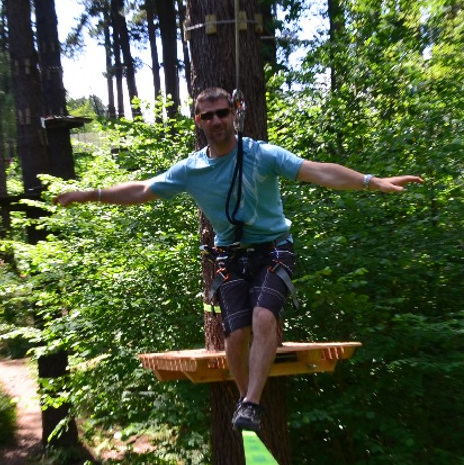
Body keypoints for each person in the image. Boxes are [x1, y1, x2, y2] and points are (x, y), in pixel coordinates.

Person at [55, 87, 422, 433]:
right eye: (208, 116)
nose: (216, 121)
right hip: (230, 255)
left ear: (234, 113)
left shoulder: (262, 155)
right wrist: (90, 194)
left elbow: (318, 170)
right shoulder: (192, 169)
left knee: (263, 317)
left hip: (273, 248)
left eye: (222, 113)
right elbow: (143, 189)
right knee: (235, 334)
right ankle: (247, 404)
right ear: (198, 121)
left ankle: (251, 402)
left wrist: (372, 181)